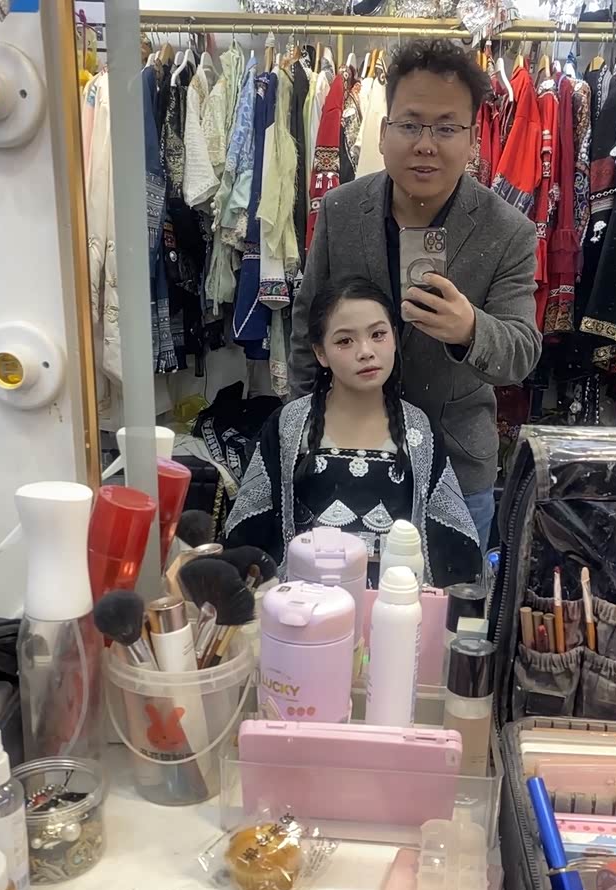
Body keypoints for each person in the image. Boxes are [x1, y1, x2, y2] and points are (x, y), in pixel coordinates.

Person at [289, 39, 541, 549]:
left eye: (446, 128)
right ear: (383, 133)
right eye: (410, 124)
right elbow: (306, 326)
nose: (426, 144)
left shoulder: (508, 231)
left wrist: (470, 329)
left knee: (449, 599)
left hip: (456, 469)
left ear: (473, 140)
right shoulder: (341, 210)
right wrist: (300, 430)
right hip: (344, 454)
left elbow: (521, 353)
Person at [224, 278, 480, 587]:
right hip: (306, 605)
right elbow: (249, 532)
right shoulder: (289, 425)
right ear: (320, 352)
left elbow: (452, 545)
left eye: (378, 334)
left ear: (394, 339)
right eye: (345, 341)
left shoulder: (419, 431)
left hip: (392, 604)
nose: (366, 352)